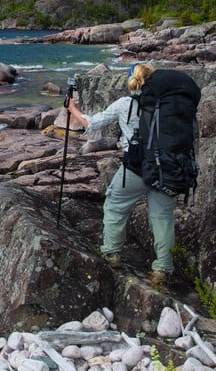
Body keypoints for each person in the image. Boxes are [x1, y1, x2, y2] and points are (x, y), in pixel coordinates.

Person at [66, 63, 174, 291]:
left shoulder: (126, 104)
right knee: (162, 217)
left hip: (136, 168)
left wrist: (73, 110)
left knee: (115, 205)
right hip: (167, 169)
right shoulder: (170, 104)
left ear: (131, 81)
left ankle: (112, 253)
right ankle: (162, 269)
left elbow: (94, 123)